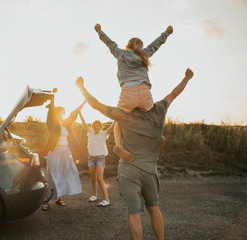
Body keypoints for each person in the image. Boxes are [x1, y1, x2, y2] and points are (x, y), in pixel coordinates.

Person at [76, 68, 194, 240]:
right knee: (154, 208)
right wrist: (187, 78)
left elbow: (96, 104)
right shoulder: (159, 109)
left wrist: (81, 87)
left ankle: (120, 147)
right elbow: (174, 93)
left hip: (129, 171)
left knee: (134, 214)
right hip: (149, 170)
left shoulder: (123, 115)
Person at [94, 23, 173, 162]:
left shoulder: (121, 53)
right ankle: (157, 140)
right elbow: (156, 44)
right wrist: (167, 32)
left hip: (127, 93)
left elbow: (109, 43)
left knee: (119, 120)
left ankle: (119, 146)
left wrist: (99, 31)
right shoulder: (144, 54)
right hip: (144, 93)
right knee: (151, 118)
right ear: (140, 47)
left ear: (127, 46)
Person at [42, 101, 85, 211]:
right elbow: (51, 114)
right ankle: (46, 201)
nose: (62, 114)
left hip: (65, 152)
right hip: (55, 151)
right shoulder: (53, 124)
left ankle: (59, 198)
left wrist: (83, 102)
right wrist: (52, 103)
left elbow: (74, 113)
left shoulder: (66, 124)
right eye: (60, 112)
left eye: (63, 112)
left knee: (63, 174)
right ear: (56, 114)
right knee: (52, 175)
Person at [78, 110, 114, 207]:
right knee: (93, 178)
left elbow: (112, 127)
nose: (96, 127)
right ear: (93, 127)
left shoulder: (104, 134)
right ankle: (95, 195)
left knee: (99, 178)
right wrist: (80, 113)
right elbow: (84, 122)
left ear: (100, 127)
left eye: (98, 126)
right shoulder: (90, 132)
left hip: (100, 158)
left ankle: (107, 199)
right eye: (94, 126)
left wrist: (116, 118)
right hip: (91, 158)